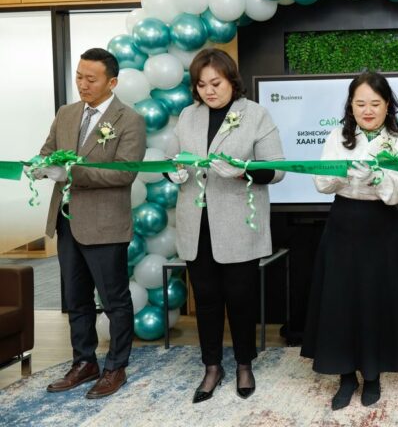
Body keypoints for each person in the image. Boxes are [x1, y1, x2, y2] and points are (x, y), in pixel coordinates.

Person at [301, 72, 398, 410]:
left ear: (387, 106)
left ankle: (372, 376)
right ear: (351, 107)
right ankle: (345, 376)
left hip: (382, 227)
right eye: (360, 104)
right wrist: (343, 172)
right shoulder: (336, 136)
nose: (367, 110)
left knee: (377, 300)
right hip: (343, 224)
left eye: (375, 103)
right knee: (340, 301)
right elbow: (321, 184)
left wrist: (377, 177)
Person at [165, 48, 285, 403]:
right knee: (206, 301)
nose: (209, 91)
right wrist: (173, 173)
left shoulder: (255, 114)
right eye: (202, 85)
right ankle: (212, 367)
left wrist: (242, 171)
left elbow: (276, 169)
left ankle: (244, 364)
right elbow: (172, 161)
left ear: (232, 80)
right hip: (195, 224)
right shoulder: (188, 115)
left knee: (240, 299)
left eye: (215, 83)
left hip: (238, 225)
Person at [33, 48, 146, 398]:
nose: (82, 84)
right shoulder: (66, 113)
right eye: (79, 76)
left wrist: (71, 173)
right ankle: (84, 362)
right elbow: (47, 151)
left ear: (112, 82)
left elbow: (124, 173)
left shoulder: (130, 120)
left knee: (114, 301)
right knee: (76, 299)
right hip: (67, 221)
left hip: (105, 225)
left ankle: (115, 367)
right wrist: (40, 166)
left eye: (91, 79)